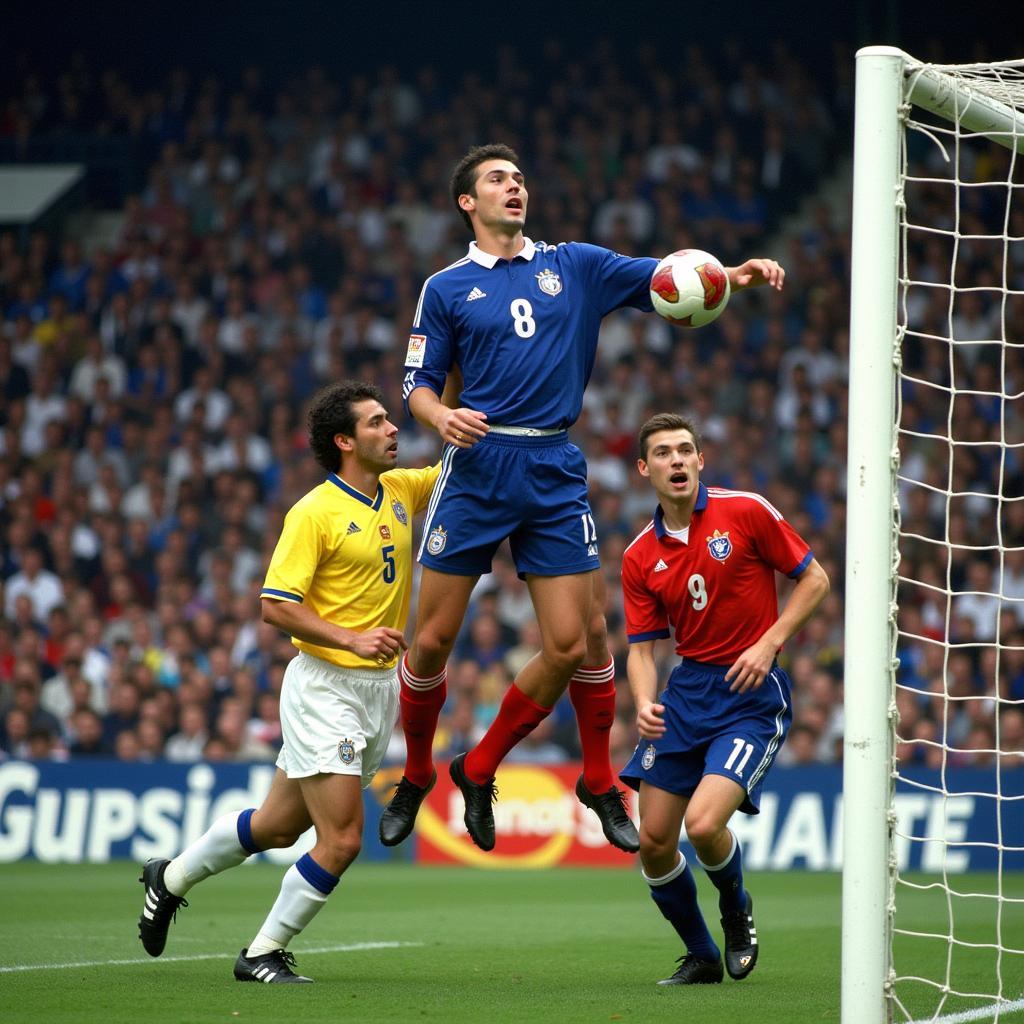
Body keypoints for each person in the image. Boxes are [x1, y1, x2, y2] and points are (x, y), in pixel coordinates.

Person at [380, 142, 784, 853]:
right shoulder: (445, 288)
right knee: (434, 639)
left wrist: (735, 276)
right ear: (467, 203)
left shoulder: (577, 265)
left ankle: (487, 769)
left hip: (551, 465)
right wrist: (440, 417)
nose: (514, 187)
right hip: (475, 466)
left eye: (519, 178)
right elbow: (416, 382)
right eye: (497, 180)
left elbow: (668, 277)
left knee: (572, 644)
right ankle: (416, 773)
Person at [136, 381, 439, 983]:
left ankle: (167, 879)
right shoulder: (313, 512)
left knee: (277, 826)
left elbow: (461, 459)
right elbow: (275, 605)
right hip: (327, 685)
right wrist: (351, 637)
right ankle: (261, 952)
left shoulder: (402, 488)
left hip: (375, 691)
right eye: (378, 422)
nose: (393, 428)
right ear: (345, 441)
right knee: (344, 838)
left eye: (390, 419)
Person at [619, 414, 829, 985]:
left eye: (686, 450)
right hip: (685, 695)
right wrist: (642, 701)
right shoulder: (640, 555)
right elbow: (641, 649)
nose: (677, 461)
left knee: (705, 824)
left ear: (701, 460)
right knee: (655, 842)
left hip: (750, 695)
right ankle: (702, 955)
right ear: (645, 469)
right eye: (663, 453)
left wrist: (770, 643)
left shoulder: (747, 510)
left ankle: (736, 909)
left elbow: (814, 580)